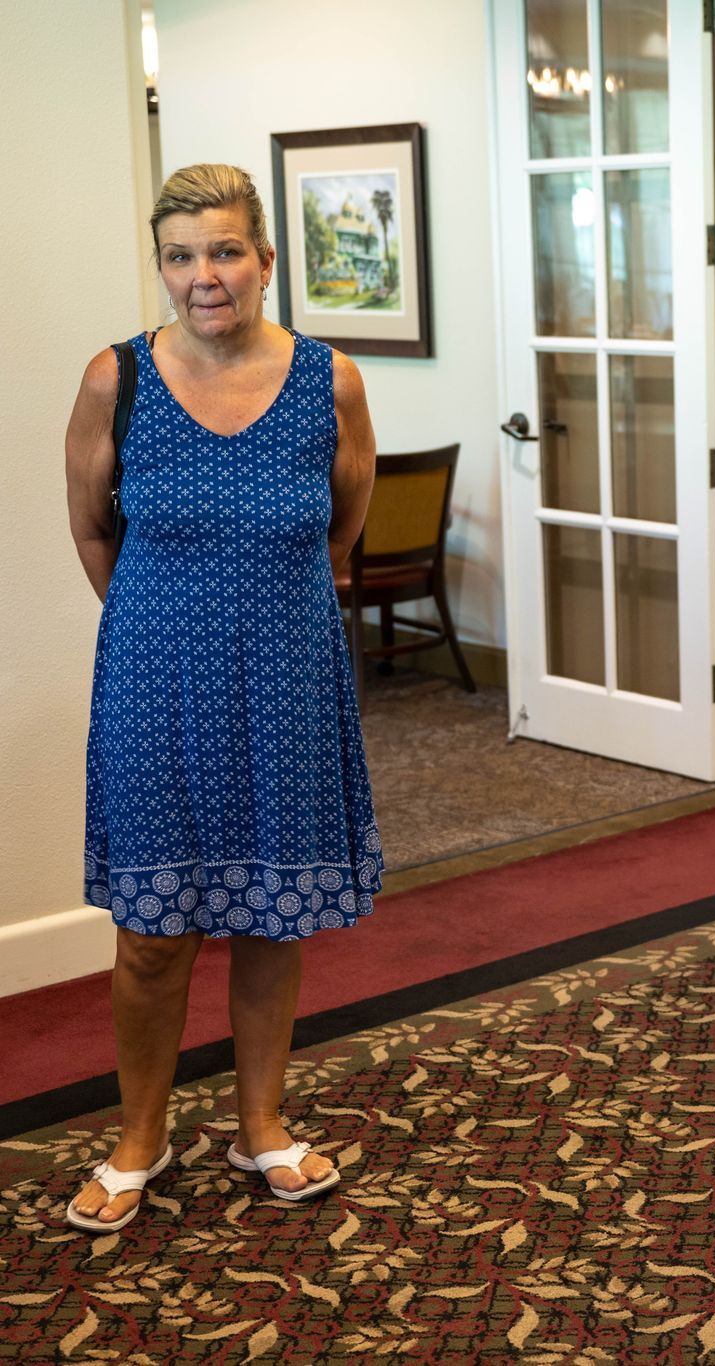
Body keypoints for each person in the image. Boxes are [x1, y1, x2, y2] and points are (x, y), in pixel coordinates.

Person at [62, 164, 382, 1230]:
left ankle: (263, 1126)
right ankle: (138, 1138)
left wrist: (261, 598)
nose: (207, 277)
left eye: (227, 251)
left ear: (266, 261)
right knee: (153, 933)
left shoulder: (328, 381)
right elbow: (95, 536)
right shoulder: (119, 379)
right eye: (183, 256)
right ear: (163, 266)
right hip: (154, 681)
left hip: (288, 675)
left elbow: (343, 530)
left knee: (271, 918)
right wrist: (176, 617)